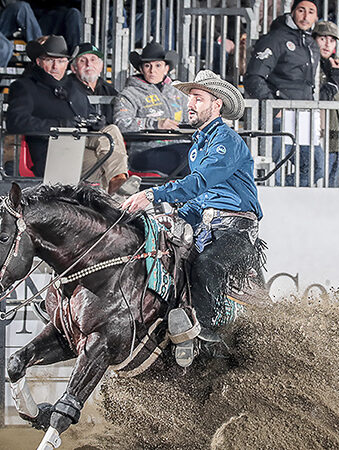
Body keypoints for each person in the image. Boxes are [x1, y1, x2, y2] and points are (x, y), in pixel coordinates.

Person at [121, 70, 264, 367]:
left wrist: (153, 196)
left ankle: (208, 339)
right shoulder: (200, 143)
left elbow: (200, 182)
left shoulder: (226, 141)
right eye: (190, 98)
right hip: (207, 228)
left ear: (217, 105)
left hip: (235, 232)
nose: (191, 104)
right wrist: (173, 214)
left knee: (205, 265)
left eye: (198, 98)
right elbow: (200, 198)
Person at [6, 35, 130, 194]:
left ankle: (119, 182)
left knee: (110, 130)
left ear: (67, 63)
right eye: (50, 60)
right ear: (39, 62)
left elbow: (89, 114)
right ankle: (120, 199)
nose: (55, 66)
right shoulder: (25, 86)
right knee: (105, 165)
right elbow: (16, 121)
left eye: (61, 61)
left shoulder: (74, 87)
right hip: (53, 152)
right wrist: (59, 125)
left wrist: (97, 122)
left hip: (81, 144)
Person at [244, 0, 323, 186]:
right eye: (301, 10)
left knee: (315, 167)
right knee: (273, 167)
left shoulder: (311, 43)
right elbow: (253, 77)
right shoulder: (276, 38)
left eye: (311, 12)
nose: (305, 16)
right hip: (279, 115)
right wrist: (273, 106)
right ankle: (272, 203)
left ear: (316, 17)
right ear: (293, 12)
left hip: (304, 115)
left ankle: (286, 198)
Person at [112, 41, 191, 177]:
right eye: (147, 66)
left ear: (166, 68)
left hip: (181, 147)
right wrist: (156, 124)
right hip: (144, 151)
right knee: (190, 158)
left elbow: (190, 119)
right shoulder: (129, 94)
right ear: (141, 69)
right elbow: (121, 124)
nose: (152, 70)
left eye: (158, 65)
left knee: (204, 154)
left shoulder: (178, 93)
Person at [313, 20, 339, 187]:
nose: (327, 44)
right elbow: (319, 99)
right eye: (323, 38)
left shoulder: (335, 66)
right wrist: (336, 78)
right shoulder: (310, 64)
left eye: (332, 40)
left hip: (336, 140)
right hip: (318, 137)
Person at [70, 42, 118, 123]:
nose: (89, 64)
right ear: (73, 68)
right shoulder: (66, 88)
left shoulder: (109, 91)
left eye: (93, 59)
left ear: (101, 66)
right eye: (82, 60)